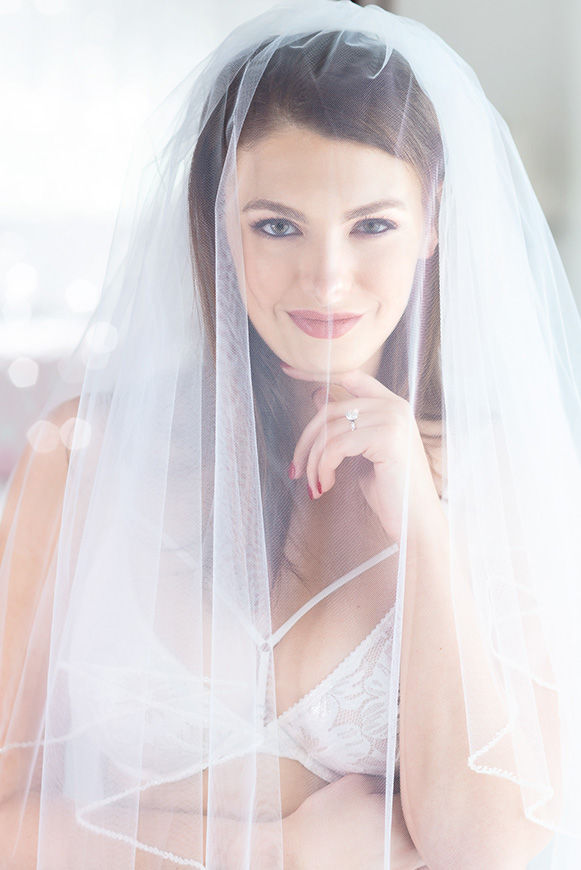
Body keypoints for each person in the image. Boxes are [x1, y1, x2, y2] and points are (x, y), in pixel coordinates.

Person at [1, 1, 580, 867]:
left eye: (372, 225)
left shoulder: (502, 477)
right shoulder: (80, 457)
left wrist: (422, 526)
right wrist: (285, 853)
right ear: (218, 226)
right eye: (277, 225)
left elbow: (485, 847)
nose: (326, 278)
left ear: (431, 223)